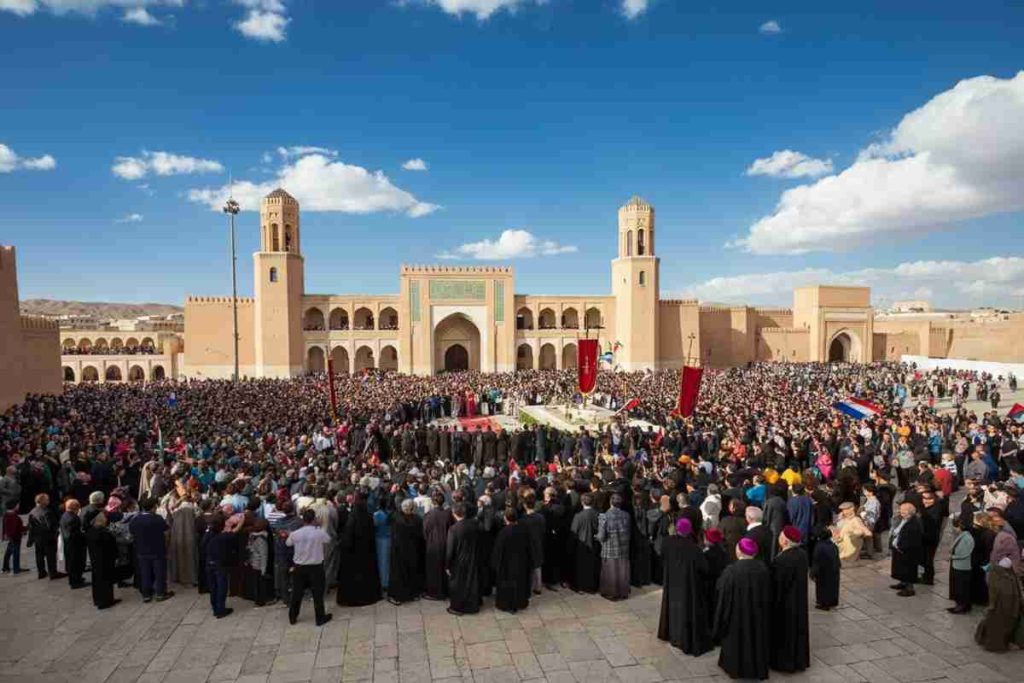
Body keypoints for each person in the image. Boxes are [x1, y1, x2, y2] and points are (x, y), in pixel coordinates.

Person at [713, 537, 772, 680]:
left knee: (736, 643)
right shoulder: (763, 569)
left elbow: (721, 592)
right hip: (757, 615)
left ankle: (735, 669)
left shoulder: (731, 571)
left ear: (739, 551)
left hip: (736, 618)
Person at [657, 518, 712, 656]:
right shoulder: (694, 548)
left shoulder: (667, 542)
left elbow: (661, 555)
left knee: (672, 609)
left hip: (671, 581)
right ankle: (682, 638)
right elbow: (704, 568)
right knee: (685, 612)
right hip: (687, 586)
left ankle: (671, 634)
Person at [769, 526, 810, 673]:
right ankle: (799, 660)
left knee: (785, 633)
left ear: (785, 541)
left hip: (785, 603)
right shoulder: (802, 554)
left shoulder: (782, 560)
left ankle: (784, 663)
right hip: (798, 600)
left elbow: (777, 585)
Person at [284, 508, 333, 626]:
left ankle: (293, 616)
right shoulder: (319, 532)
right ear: (314, 519)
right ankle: (320, 617)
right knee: (317, 593)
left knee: (297, 593)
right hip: (315, 566)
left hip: (299, 566)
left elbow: (288, 543)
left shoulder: (296, 533)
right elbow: (328, 540)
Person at [336, 493, 380, 606]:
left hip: (353, 553)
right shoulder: (369, 517)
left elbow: (348, 537)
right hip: (366, 551)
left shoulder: (352, 518)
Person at [129, 496, 173, 602]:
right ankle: (160, 593)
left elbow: (131, 533)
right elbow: (166, 531)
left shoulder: (136, 520)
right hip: (157, 549)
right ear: (154, 507)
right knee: (159, 573)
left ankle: (146, 595)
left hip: (141, 550)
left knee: (145, 573)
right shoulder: (157, 518)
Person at [974, 557, 1024, 651]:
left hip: (1000, 607)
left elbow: (993, 591)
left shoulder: (996, 575)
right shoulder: (1011, 577)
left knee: (995, 626)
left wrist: (992, 605)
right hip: (1007, 607)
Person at [492, 507, 533, 613]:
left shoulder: (503, 532)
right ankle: (520, 602)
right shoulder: (524, 529)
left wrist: (495, 564)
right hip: (521, 562)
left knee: (507, 586)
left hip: (506, 565)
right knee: (520, 584)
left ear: (505, 518)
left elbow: (498, 550)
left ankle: (507, 605)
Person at [445, 501, 482, 615]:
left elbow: (450, 550)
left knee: (458, 584)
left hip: (459, 561)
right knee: (472, 582)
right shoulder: (475, 524)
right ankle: (473, 605)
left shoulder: (453, 529)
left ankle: (458, 608)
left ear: (455, 513)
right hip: (473, 557)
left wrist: (447, 565)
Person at [388, 499, 424, 605]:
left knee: (398, 574)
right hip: (412, 550)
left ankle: (397, 595)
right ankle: (411, 594)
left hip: (399, 551)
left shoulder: (397, 519)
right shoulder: (417, 519)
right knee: (411, 572)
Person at [597, 493, 631, 601]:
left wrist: (596, 537)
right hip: (623, 547)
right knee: (622, 571)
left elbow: (601, 536)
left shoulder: (604, 516)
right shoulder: (626, 515)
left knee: (610, 571)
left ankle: (611, 593)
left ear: (610, 502)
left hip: (610, 548)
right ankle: (623, 592)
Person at [202, 514, 236, 619]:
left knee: (213, 587)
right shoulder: (224, 537)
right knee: (221, 587)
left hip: (209, 563)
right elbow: (233, 535)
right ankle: (220, 609)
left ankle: (215, 607)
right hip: (220, 565)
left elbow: (202, 546)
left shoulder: (208, 535)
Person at [85, 512, 120, 609]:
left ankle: (99, 599)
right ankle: (106, 600)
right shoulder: (103, 532)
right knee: (106, 580)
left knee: (97, 580)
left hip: (95, 560)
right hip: (106, 560)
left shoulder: (90, 531)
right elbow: (111, 545)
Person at [568, 492, 601, 593]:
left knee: (581, 567)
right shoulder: (598, 514)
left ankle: (582, 587)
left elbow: (573, 533)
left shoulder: (578, 516)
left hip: (582, 545)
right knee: (593, 566)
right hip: (594, 544)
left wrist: (570, 547)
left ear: (582, 502)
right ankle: (592, 587)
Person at [422, 491, 452, 600]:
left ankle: (434, 592)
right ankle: (445, 590)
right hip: (445, 543)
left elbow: (425, 531)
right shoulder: (448, 514)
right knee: (444, 568)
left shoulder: (428, 515)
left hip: (432, 545)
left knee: (433, 570)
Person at [890, 501, 924, 597]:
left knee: (908, 569)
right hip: (899, 548)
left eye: (904, 512)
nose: (901, 513)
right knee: (900, 567)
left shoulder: (914, 523)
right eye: (901, 511)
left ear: (910, 512)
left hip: (908, 550)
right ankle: (903, 583)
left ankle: (909, 588)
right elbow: (895, 527)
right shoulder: (904, 519)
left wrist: (901, 547)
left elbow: (912, 539)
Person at [27, 493, 63, 580]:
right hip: (48, 538)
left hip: (38, 538)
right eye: (47, 499)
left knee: (39, 555)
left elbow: (30, 526)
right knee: (50, 556)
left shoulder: (32, 511)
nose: (48, 501)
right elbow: (50, 526)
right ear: (43, 501)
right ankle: (53, 573)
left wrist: (30, 539)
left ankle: (41, 572)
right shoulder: (47, 512)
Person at [59, 498, 89, 589]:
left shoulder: (64, 515)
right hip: (75, 544)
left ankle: (75, 579)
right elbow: (76, 533)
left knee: (71, 563)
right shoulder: (74, 518)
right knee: (76, 563)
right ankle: (76, 581)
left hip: (68, 543)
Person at [947, 516, 974, 614]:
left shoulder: (968, 538)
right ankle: (960, 604)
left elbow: (964, 553)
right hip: (957, 565)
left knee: (961, 587)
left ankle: (962, 606)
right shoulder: (962, 535)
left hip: (962, 567)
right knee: (957, 586)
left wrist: (952, 556)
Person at [832, 502, 872, 566]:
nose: (844, 512)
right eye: (843, 510)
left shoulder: (856, 520)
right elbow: (838, 528)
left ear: (851, 509)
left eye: (846, 510)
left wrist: (855, 533)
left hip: (849, 548)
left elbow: (867, 533)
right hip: (841, 542)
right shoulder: (844, 519)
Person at [810, 527, 840, 611]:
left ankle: (824, 604)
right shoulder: (833, 545)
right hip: (834, 571)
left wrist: (812, 573)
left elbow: (816, 561)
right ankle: (832, 602)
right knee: (833, 588)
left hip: (823, 572)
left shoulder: (819, 546)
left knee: (822, 588)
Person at [2, 500, 27, 574]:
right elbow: (16, 528)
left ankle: (5, 567)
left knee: (8, 552)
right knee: (16, 553)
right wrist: (26, 528)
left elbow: (5, 527)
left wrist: (4, 535)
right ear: (14, 506)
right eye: (17, 505)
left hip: (11, 537)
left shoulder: (6, 515)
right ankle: (16, 569)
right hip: (15, 537)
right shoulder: (14, 516)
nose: (18, 506)